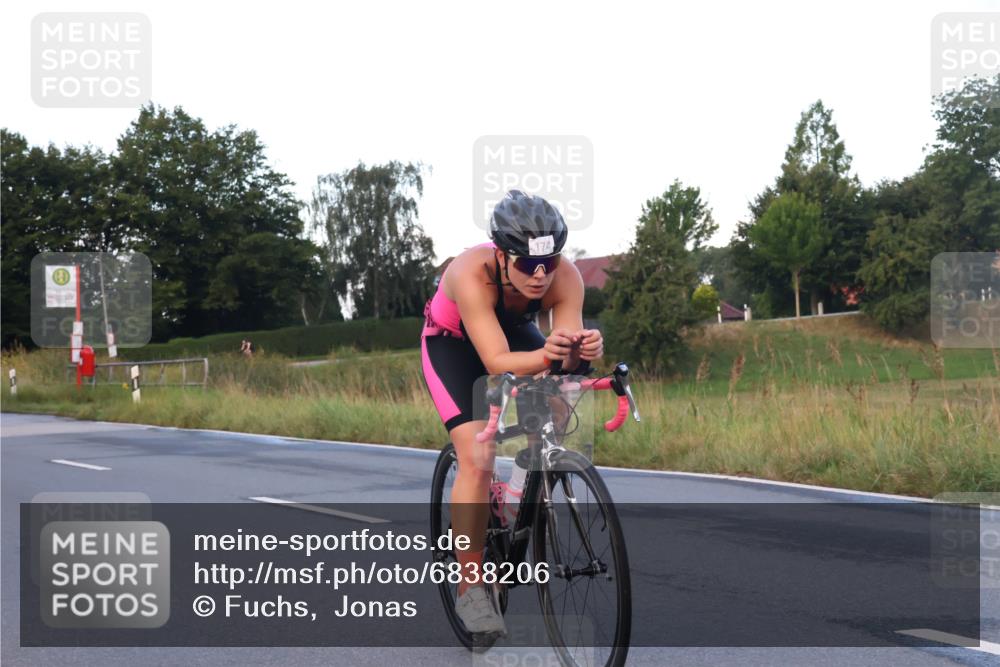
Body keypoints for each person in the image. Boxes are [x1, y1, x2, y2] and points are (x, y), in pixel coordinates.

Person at [420, 190, 603, 636]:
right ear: (501, 255)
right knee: (478, 457)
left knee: (560, 397)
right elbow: (497, 362)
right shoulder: (469, 272)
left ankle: (526, 479)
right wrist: (550, 357)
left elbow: (562, 354)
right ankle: (471, 587)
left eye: (550, 262)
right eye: (526, 265)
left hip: (513, 333)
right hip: (455, 345)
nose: (539, 276)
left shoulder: (566, 278)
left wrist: (582, 353)